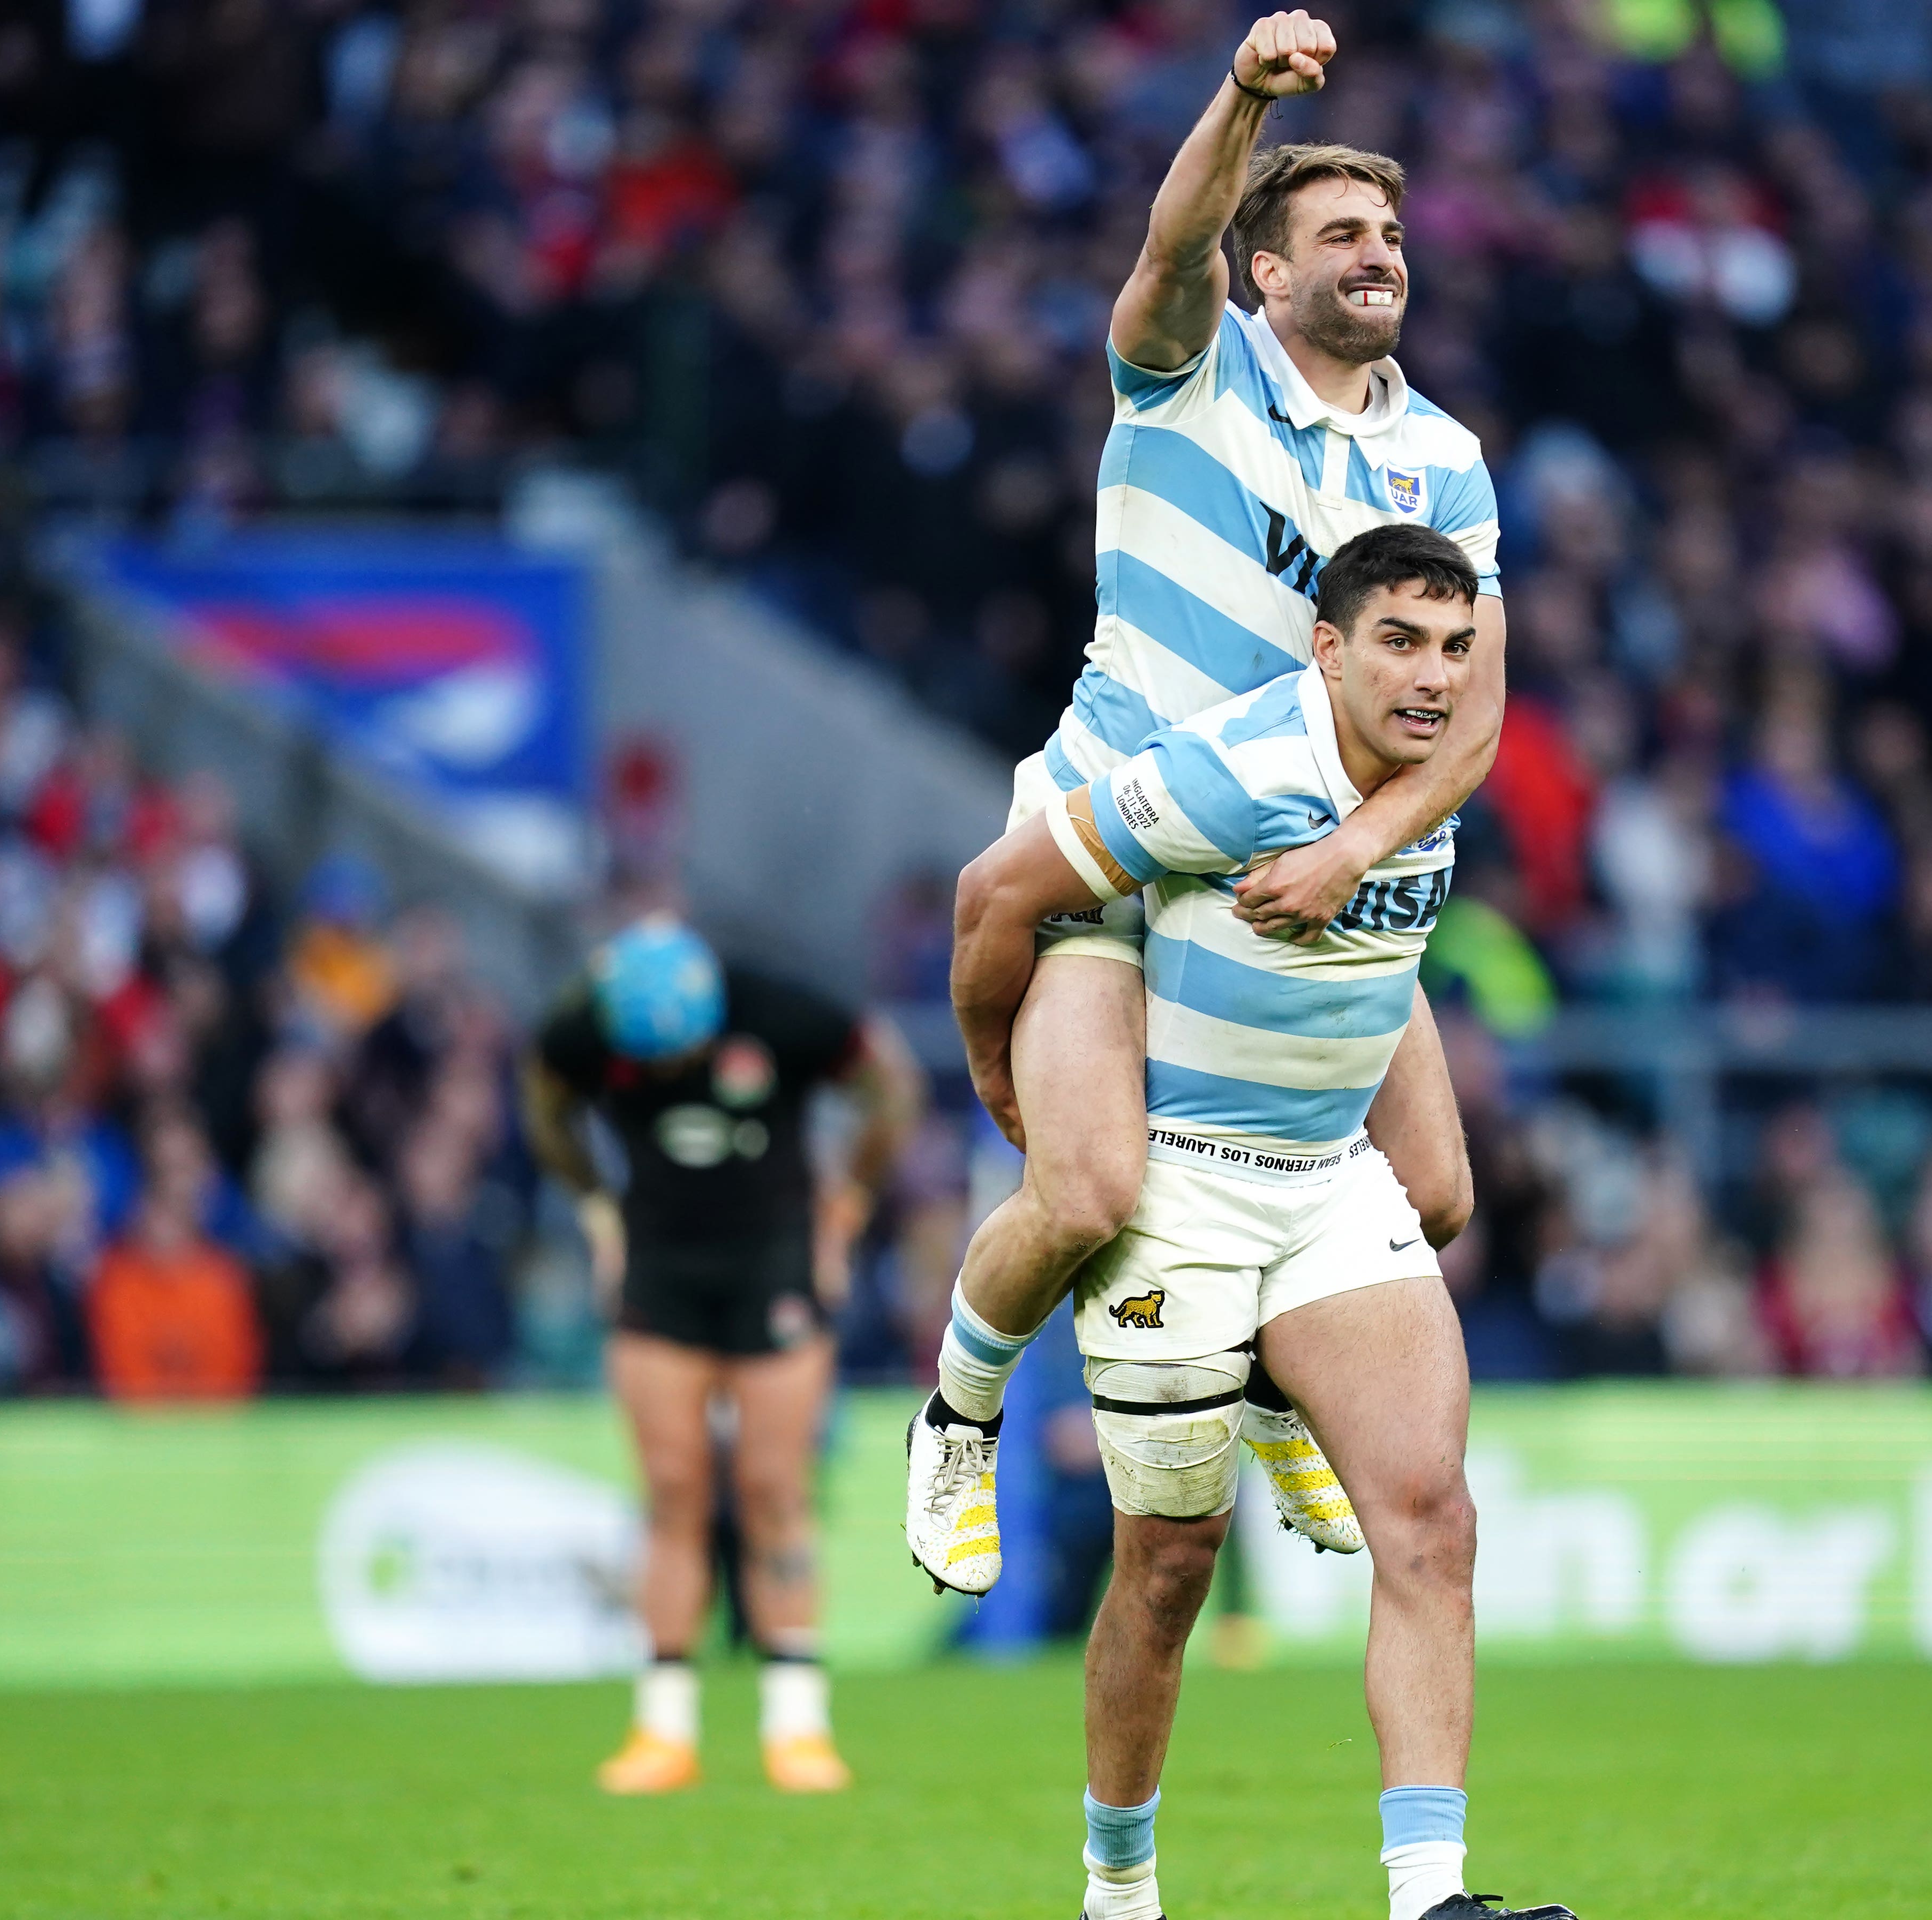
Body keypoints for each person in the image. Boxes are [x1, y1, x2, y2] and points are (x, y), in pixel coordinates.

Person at [903, 8, 1507, 1596]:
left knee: (1434, 1194)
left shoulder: (1444, 461)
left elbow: (1479, 706)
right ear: (1266, 274)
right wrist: (1242, 96)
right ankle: (959, 1415)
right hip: (1121, 832)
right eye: (1338, 236)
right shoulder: (1191, 368)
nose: (1379, 254)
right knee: (1089, 1185)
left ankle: (1267, 1381)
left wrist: (1358, 847)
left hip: (1302, 861)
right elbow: (1172, 244)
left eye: (1390, 232)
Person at [948, 526, 1572, 1920]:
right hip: (1183, 1180)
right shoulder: (1230, 774)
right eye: (1401, 645)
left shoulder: (1448, 766)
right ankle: (1120, 1891)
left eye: (1456, 648)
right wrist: (1004, 1074)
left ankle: (1432, 1896)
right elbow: (1001, 892)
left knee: (1432, 1522)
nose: (1435, 677)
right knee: (1168, 1566)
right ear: (1327, 650)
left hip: (1325, 1178)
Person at [522, 916, 920, 1796]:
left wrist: (847, 1207)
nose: (665, 1078)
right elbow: (545, 1104)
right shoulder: (584, 1026)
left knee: (776, 1493)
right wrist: (594, 1210)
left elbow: (890, 1087)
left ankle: (797, 1727)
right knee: (672, 1495)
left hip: (772, 1266)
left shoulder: (781, 1012)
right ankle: (663, 1729)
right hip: (660, 1274)